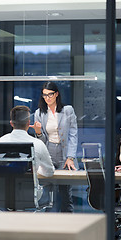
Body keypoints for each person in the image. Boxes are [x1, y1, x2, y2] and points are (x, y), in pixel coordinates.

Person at [30, 81, 78, 213]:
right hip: (48, 151)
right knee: (47, 191)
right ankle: (48, 225)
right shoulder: (39, 113)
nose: (47, 98)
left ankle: (67, 224)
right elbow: (42, 140)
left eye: (50, 95)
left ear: (56, 94)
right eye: (44, 95)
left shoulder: (67, 110)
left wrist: (70, 157)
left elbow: (73, 135)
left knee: (65, 192)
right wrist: (38, 132)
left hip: (64, 152)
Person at [0, 105, 55, 178]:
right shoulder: (38, 144)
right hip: (29, 188)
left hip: (1, 189)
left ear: (11, 123)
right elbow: (49, 172)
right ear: (28, 123)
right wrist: (36, 168)